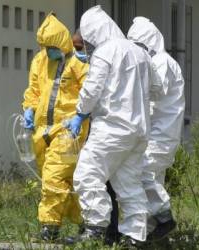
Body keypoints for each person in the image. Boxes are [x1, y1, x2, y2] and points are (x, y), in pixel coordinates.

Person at [66, 5, 154, 247]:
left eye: (86, 40)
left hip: (112, 128)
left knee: (87, 174)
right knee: (129, 183)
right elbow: (156, 88)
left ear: (93, 32)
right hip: (138, 131)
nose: (86, 46)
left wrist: (81, 113)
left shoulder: (106, 51)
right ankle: (135, 237)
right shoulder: (139, 52)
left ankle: (95, 229)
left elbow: (92, 88)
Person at [22, 13, 89, 241]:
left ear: (61, 42)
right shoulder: (41, 60)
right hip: (42, 132)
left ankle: (49, 228)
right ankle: (87, 223)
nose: (48, 50)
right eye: (44, 46)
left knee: (53, 177)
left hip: (69, 131)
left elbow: (90, 94)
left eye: (51, 46)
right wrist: (29, 109)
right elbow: (33, 90)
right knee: (62, 182)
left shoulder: (78, 63)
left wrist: (80, 118)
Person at [127, 17, 185, 240]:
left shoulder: (162, 62)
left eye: (140, 46)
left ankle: (164, 217)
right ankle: (149, 234)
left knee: (142, 174)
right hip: (158, 134)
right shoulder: (159, 61)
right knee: (152, 180)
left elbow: (154, 93)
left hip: (160, 135)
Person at [72, 28, 121, 245]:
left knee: (103, 181)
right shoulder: (82, 64)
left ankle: (105, 231)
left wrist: (80, 114)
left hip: (107, 129)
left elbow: (92, 93)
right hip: (96, 127)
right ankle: (100, 229)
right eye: (75, 48)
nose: (77, 52)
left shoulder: (103, 61)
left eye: (80, 47)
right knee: (98, 181)